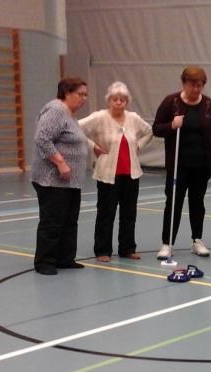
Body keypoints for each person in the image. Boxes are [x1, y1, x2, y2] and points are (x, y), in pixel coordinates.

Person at [153, 66, 211, 259]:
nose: (196, 89)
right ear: (184, 83)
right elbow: (156, 129)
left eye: (199, 86)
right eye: (192, 85)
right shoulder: (172, 103)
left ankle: (197, 240)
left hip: (202, 165)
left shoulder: (209, 105)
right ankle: (167, 243)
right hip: (178, 165)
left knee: (197, 203)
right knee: (173, 203)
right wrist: (171, 125)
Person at [79, 81, 153, 263]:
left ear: (127, 102)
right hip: (107, 174)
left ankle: (127, 248)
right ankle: (102, 250)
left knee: (129, 213)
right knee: (106, 213)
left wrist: (138, 145)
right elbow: (76, 128)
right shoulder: (99, 117)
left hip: (131, 173)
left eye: (122, 100)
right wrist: (93, 146)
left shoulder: (133, 118)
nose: (119, 103)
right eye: (115, 99)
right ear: (109, 101)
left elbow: (149, 131)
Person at [31, 77, 91, 275]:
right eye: (80, 94)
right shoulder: (56, 110)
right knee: (52, 221)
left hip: (71, 182)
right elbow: (42, 138)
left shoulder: (70, 114)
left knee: (69, 220)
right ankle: (45, 262)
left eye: (85, 94)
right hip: (52, 179)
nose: (84, 98)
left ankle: (65, 258)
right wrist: (61, 163)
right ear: (66, 93)